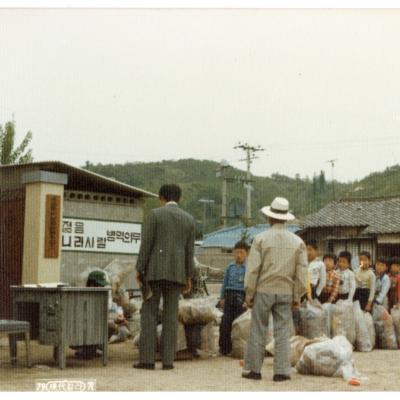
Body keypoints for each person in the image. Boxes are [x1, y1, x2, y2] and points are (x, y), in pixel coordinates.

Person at [242, 197, 308, 382]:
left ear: (269, 218)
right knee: (282, 331)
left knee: (258, 329)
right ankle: (281, 371)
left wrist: (249, 292)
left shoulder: (260, 239)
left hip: (264, 289)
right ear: (286, 219)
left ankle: (253, 370)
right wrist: (297, 295)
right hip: (286, 291)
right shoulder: (297, 242)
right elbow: (301, 272)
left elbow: (253, 269)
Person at [134, 184, 196, 370]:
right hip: (177, 274)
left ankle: (147, 360)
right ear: (180, 198)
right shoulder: (189, 219)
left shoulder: (154, 215)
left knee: (149, 314)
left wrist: (139, 268)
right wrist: (188, 276)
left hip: (154, 272)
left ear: (161, 198)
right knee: (171, 316)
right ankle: (168, 361)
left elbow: (147, 245)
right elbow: (189, 251)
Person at [218, 240, 250, 356]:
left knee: (238, 325)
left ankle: (237, 350)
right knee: (225, 323)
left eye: (241, 253)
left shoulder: (248, 269)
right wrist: (222, 298)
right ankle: (224, 349)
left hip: (241, 298)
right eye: (236, 253)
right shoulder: (230, 267)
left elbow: (249, 285)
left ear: (247, 254)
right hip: (229, 296)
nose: (238, 255)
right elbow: (224, 283)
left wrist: (248, 299)